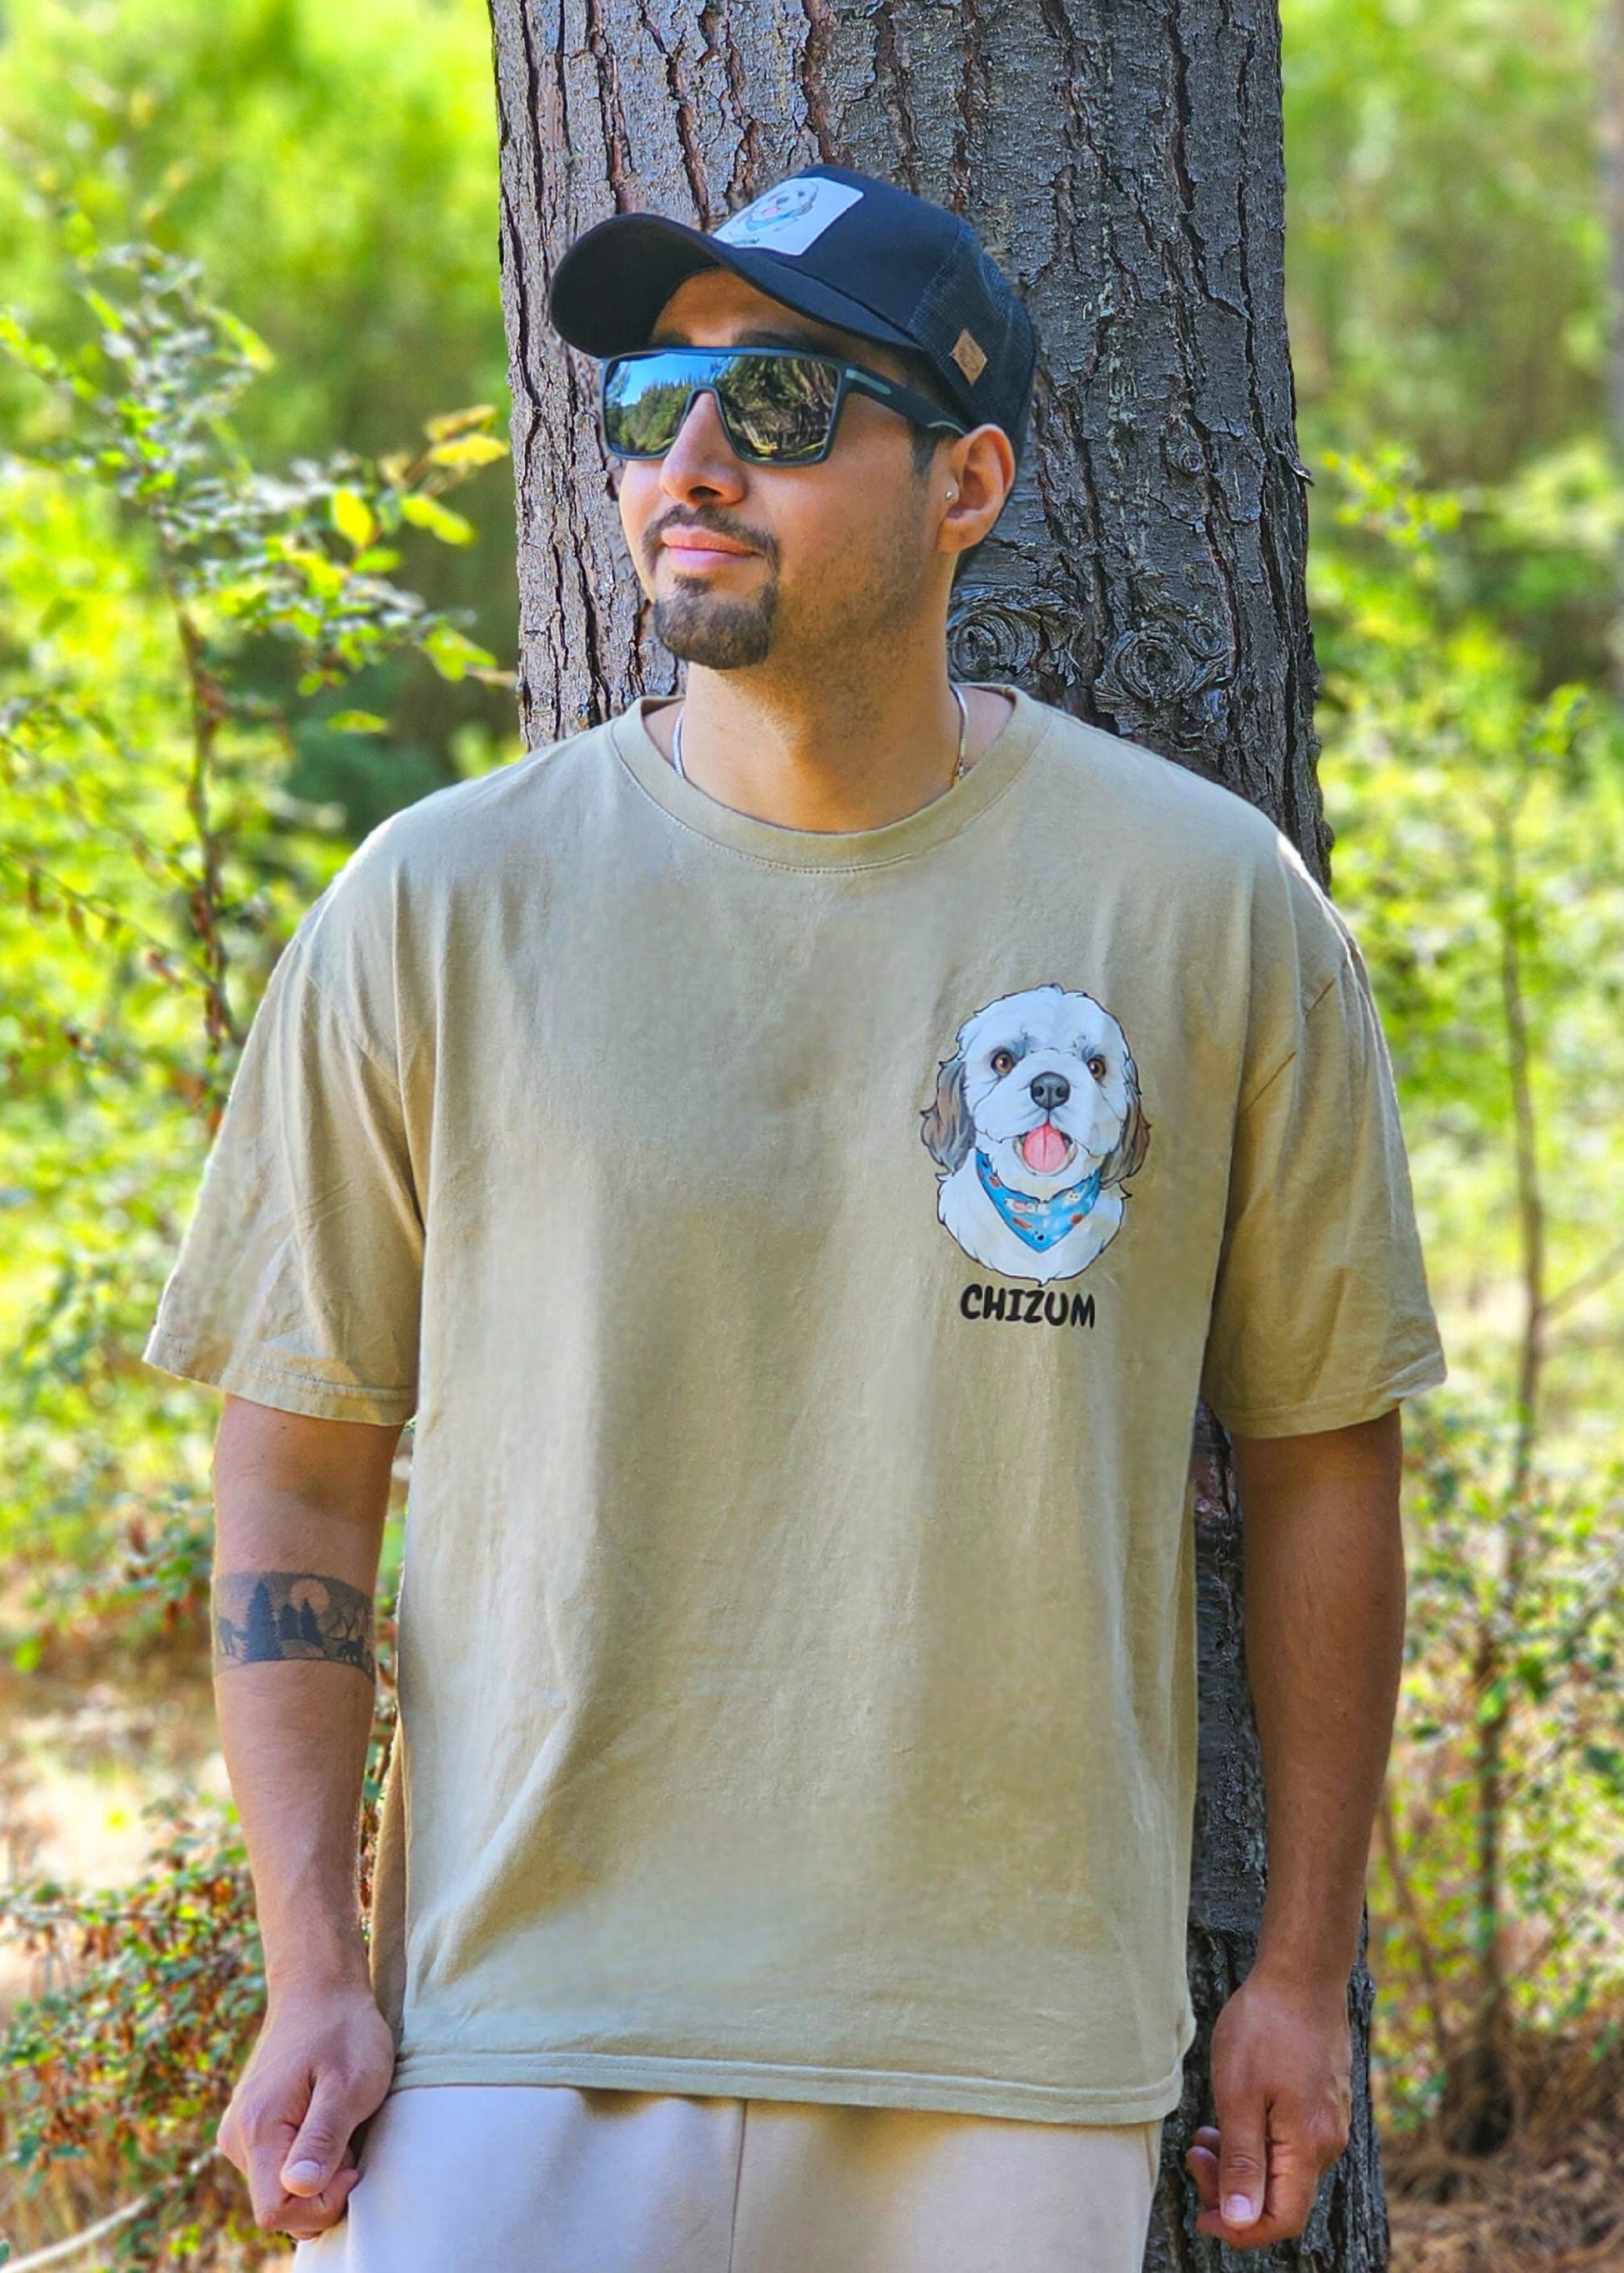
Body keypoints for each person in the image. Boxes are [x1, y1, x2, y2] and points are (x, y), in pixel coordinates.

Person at [145, 165, 1445, 2272]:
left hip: (1004, 2047)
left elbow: (1322, 1463)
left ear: (966, 485)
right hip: (518, 2027)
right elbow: (296, 1470)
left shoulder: (1204, 909)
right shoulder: (437, 906)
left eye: (774, 409)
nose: (687, 466)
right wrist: (314, 1968)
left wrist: (1298, 1973)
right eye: (651, 403)